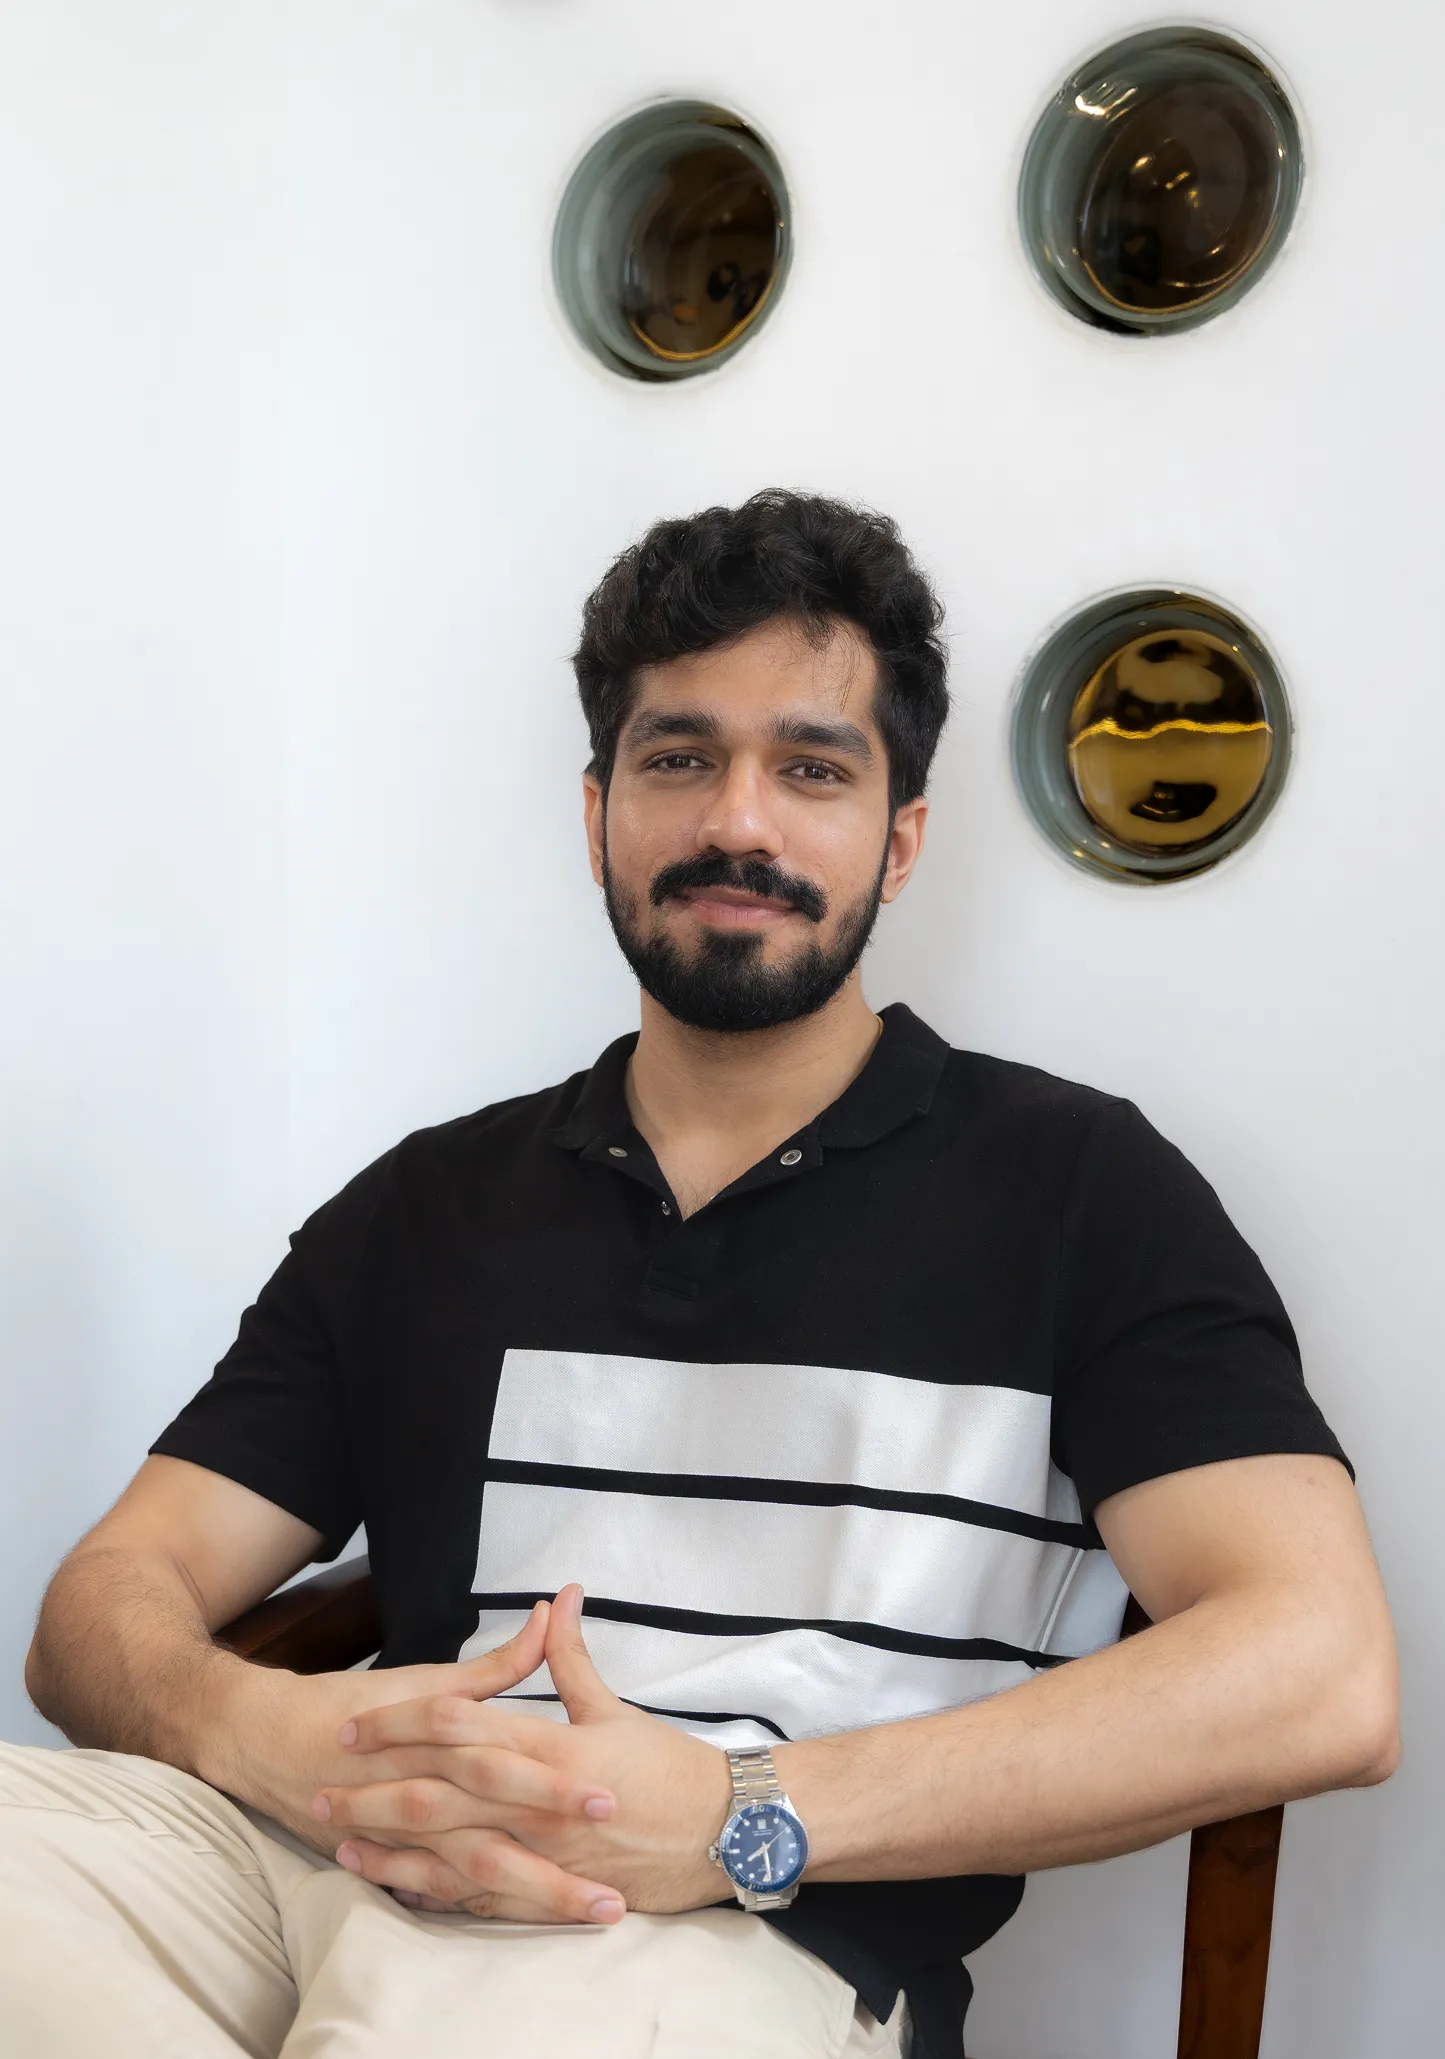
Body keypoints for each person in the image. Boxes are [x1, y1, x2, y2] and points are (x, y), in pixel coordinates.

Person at [7, 491, 1398, 2059]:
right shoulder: (425, 1206)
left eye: (813, 765)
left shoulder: (1084, 1191)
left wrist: (742, 1812)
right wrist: (257, 1730)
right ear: (597, 811)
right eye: (680, 757)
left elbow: (1324, 1667)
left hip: (730, 1949)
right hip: (310, 1869)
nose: (742, 819)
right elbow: (96, 1610)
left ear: (903, 836)